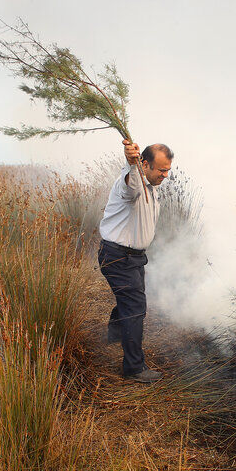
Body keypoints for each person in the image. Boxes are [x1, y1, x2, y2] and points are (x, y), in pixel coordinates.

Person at [98, 139, 173, 383]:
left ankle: (115, 335)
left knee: (131, 298)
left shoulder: (152, 185)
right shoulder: (133, 182)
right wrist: (131, 165)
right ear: (144, 164)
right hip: (119, 256)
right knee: (135, 307)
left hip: (133, 257)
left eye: (168, 170)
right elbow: (131, 187)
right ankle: (134, 369)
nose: (165, 175)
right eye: (161, 170)